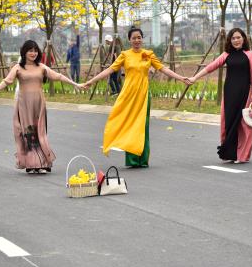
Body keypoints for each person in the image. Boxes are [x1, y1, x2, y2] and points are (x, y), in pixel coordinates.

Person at [81, 27, 189, 168]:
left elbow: (163, 68)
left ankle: (142, 160)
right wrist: (91, 81)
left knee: (142, 127)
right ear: (129, 40)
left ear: (142, 39)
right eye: (134, 38)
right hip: (128, 95)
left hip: (143, 96)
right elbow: (110, 69)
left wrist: (181, 78)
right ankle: (132, 160)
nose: (137, 40)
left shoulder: (148, 54)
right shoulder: (125, 55)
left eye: (139, 37)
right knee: (129, 125)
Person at [0, 40, 79, 173]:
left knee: (40, 132)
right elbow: (7, 81)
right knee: (29, 133)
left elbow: (58, 76)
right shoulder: (18, 67)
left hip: (39, 104)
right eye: (30, 50)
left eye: (35, 50)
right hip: (24, 105)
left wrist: (76, 84)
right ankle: (33, 163)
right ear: (24, 52)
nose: (33, 53)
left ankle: (42, 162)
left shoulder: (41, 67)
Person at [187, 28, 252, 163]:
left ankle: (243, 156)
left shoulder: (249, 55)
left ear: (244, 39)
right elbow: (211, 67)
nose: (236, 40)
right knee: (228, 122)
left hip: (245, 93)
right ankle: (230, 154)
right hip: (230, 93)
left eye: (238, 37)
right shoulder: (226, 55)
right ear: (229, 41)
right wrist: (195, 77)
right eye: (233, 38)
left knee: (245, 124)